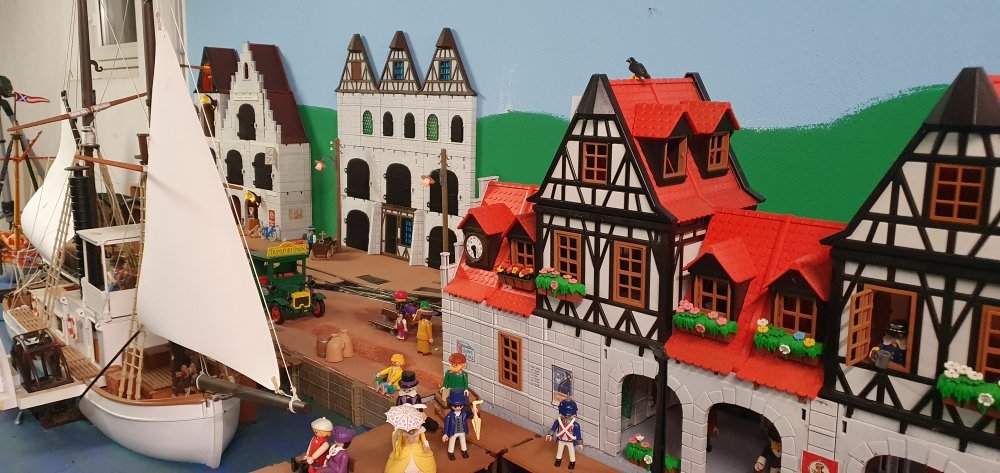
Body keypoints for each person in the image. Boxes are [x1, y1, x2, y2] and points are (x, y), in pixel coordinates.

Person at [546, 399, 582, 470]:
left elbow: (578, 434)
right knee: (559, 450)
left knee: (571, 451)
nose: (566, 417)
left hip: (570, 441)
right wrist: (550, 434)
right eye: (565, 415)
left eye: (568, 416)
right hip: (561, 439)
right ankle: (558, 460)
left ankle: (572, 462)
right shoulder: (558, 422)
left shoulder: (575, 425)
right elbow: (553, 428)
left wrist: (579, 443)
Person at [441, 391, 471, 461]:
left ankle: (464, 451)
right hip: (453, 432)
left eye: (460, 406)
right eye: (455, 406)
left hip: (462, 431)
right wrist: (445, 434)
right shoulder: (449, 416)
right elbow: (446, 425)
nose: (458, 408)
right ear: (451, 405)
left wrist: (474, 410)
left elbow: (470, 413)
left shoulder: (464, 414)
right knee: (452, 441)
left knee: (463, 441)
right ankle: (450, 452)